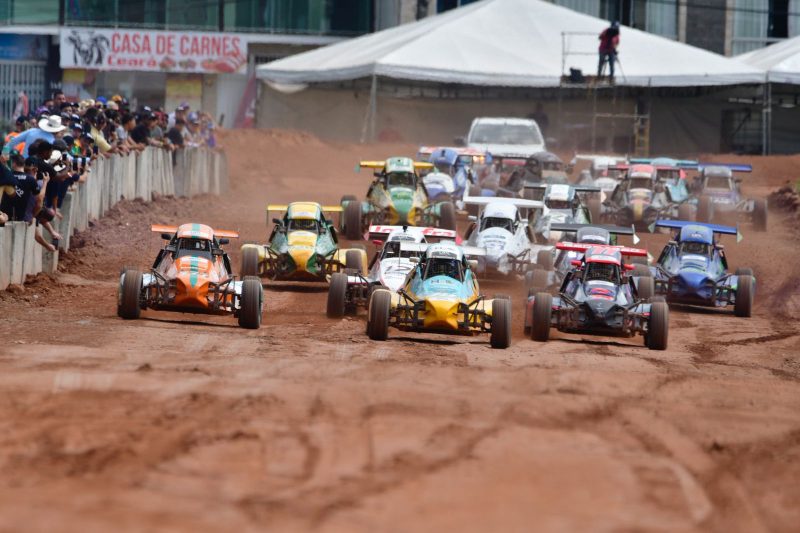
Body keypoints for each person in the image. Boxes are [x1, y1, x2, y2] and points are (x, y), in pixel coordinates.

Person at [1, 115, 66, 158]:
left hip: (24, 163)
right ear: (57, 130)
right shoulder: (52, 141)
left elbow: (14, 140)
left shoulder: (32, 131)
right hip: (40, 168)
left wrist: (4, 154)